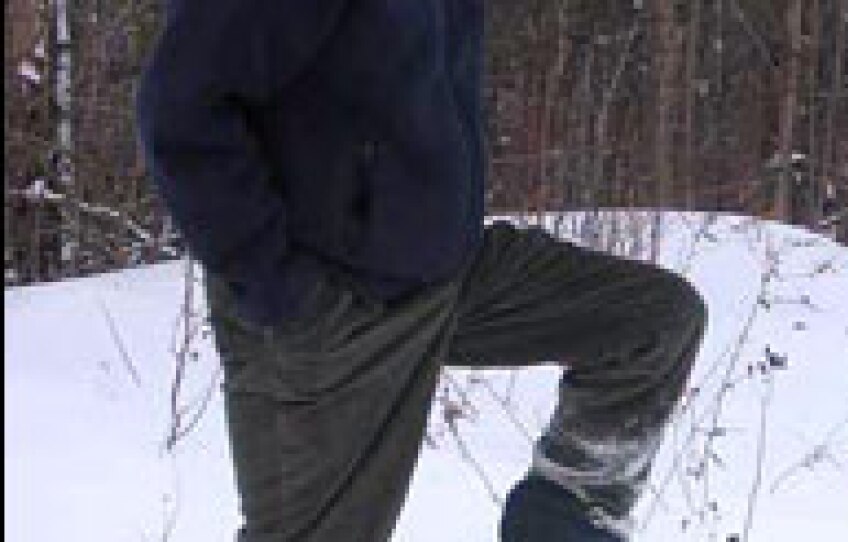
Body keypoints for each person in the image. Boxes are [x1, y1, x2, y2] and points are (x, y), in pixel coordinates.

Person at [135, 1, 708, 540]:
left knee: (652, 325)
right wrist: (277, 285)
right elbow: (181, 107)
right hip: (332, 308)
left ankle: (565, 524)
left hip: (441, 272)